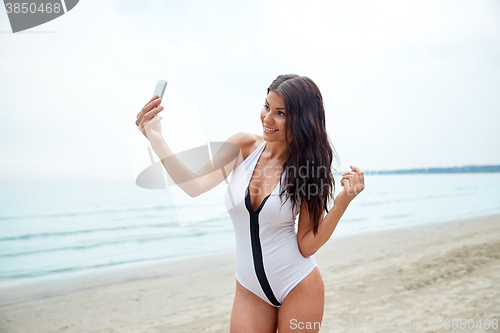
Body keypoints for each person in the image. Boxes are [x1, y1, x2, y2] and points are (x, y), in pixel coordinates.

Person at [135, 74, 365, 333]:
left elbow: (307, 244)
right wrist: (155, 138)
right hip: (249, 288)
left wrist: (343, 202)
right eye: (267, 107)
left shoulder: (309, 168)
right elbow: (193, 186)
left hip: (298, 285)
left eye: (280, 113)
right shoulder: (242, 146)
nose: (267, 118)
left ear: (301, 119)